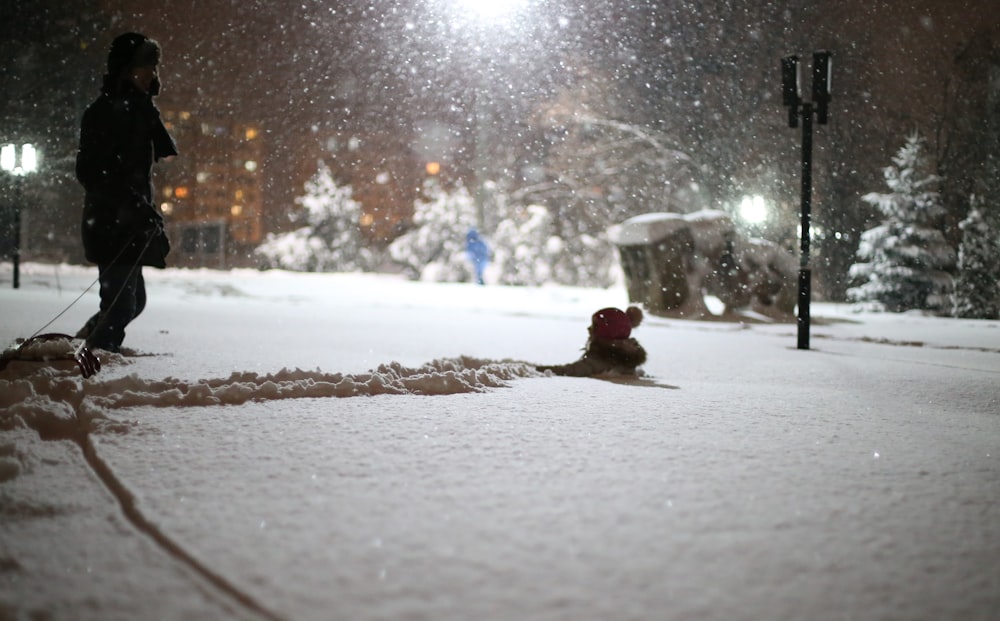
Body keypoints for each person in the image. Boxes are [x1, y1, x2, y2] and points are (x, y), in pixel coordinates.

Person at [75, 33, 178, 353]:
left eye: (154, 67)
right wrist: (130, 202)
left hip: (129, 223)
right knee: (120, 306)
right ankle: (91, 361)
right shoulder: (106, 113)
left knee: (133, 303)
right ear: (127, 69)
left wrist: (141, 207)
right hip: (111, 223)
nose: (153, 75)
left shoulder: (138, 112)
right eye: (146, 67)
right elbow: (92, 172)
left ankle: (80, 349)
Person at [537, 306, 647, 377]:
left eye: (595, 326)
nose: (588, 329)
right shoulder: (624, 358)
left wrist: (536, 370)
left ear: (608, 333)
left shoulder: (599, 359)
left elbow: (570, 371)